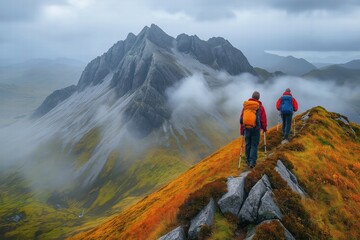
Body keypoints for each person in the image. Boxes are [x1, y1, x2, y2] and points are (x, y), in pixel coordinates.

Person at [240, 91, 267, 168]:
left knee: (248, 144)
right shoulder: (260, 107)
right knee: (254, 145)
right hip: (256, 129)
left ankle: (248, 161)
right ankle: (252, 162)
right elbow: (263, 119)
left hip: (246, 128)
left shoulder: (246, 106)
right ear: (258, 98)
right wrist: (264, 128)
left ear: (251, 97)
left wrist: (242, 130)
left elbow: (242, 119)